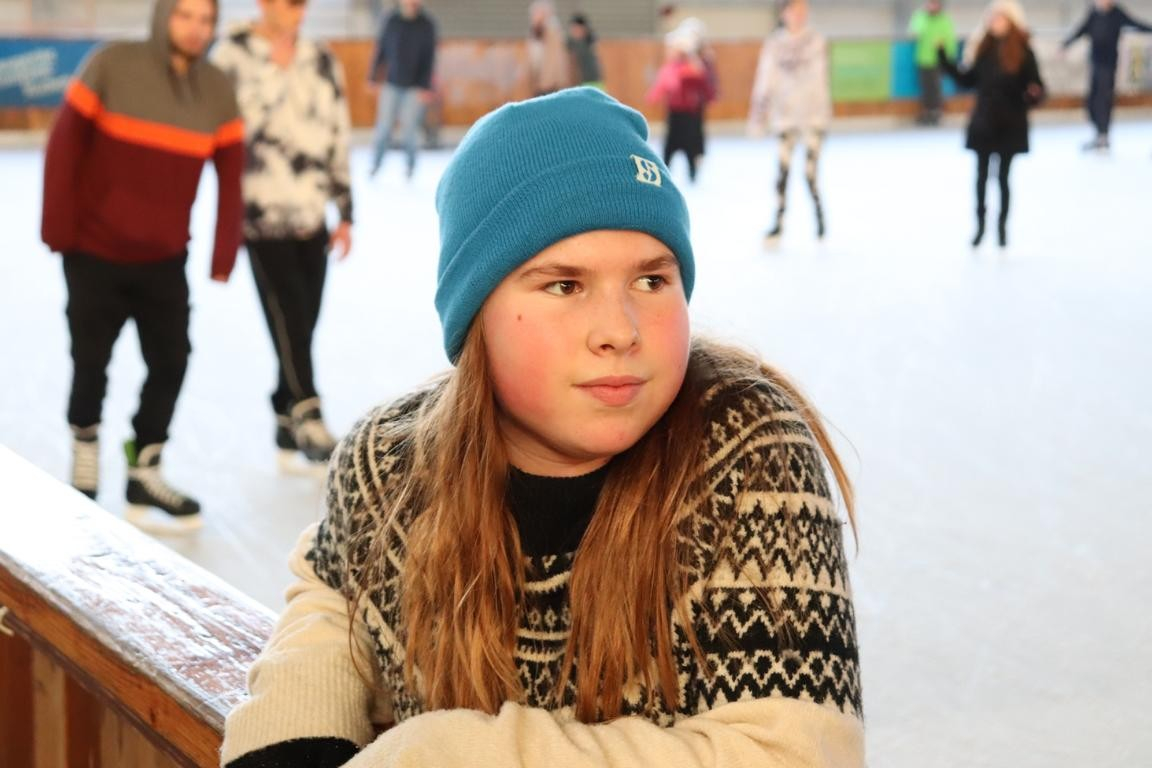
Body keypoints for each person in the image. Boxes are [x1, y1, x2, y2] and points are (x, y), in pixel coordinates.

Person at [220, 88, 864, 768]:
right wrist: (290, 737)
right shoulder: (389, 463)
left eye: (652, 280)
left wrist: (443, 756)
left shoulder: (743, 450)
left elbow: (792, 754)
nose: (620, 331)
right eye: (564, 285)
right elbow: (333, 596)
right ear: (477, 316)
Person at [40, 0, 243, 533]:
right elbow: (63, 146)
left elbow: (232, 174)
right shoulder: (111, 64)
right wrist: (57, 228)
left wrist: (223, 252)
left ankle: (143, 468)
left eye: (206, 20)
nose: (196, 29)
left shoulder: (217, 90)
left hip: (165, 260)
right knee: (90, 362)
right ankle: (85, 454)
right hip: (93, 253)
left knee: (172, 360)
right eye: (185, 16)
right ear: (163, 16)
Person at [211, 0, 353, 474]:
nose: (298, 10)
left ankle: (282, 414)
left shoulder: (321, 58)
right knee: (290, 312)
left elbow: (337, 131)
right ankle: (308, 414)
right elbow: (220, 131)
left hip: (312, 213)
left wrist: (345, 209)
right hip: (260, 214)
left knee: (301, 323)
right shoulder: (231, 55)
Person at [939, 0, 1044, 248]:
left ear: (1010, 21)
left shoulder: (1023, 51)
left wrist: (1034, 94)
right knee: (981, 177)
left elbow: (1037, 86)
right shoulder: (983, 49)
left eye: (1000, 18)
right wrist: (944, 60)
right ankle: (980, 225)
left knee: (1004, 178)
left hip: (1011, 123)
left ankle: (1002, 226)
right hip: (984, 123)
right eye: (992, 18)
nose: (995, 22)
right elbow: (967, 80)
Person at [748, 0, 831, 242]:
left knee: (810, 172)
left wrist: (823, 115)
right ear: (784, 13)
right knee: (782, 171)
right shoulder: (775, 44)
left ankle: (819, 216)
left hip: (813, 118)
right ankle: (779, 222)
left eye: (804, 10)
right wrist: (758, 117)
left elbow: (820, 80)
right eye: (795, 10)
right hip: (785, 118)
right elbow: (765, 80)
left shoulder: (816, 41)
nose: (800, 14)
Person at [1062, 0, 1152, 151]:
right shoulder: (1094, 13)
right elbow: (1081, 30)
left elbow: (1135, 23)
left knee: (1103, 100)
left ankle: (1103, 135)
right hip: (1095, 64)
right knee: (1092, 101)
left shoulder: (1116, 13)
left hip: (1108, 65)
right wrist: (1065, 45)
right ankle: (1098, 133)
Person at [366, 0, 437, 178]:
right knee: (383, 127)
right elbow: (381, 49)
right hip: (391, 84)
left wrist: (426, 87)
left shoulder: (427, 24)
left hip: (415, 87)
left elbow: (430, 57)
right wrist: (373, 76)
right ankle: (376, 164)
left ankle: (410, 166)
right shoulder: (391, 20)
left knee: (410, 129)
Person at [646, 27, 716, 184]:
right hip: (674, 113)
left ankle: (692, 172)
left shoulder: (693, 67)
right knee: (669, 146)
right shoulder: (670, 68)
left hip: (690, 113)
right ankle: (665, 171)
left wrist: (709, 96)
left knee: (691, 146)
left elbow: (704, 84)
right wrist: (653, 96)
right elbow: (662, 84)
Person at [908, 0, 958, 126]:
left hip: (939, 59)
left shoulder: (944, 20)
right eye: (930, 3)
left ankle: (936, 112)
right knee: (925, 87)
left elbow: (950, 39)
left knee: (936, 87)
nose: (932, 6)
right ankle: (927, 112)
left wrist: (950, 58)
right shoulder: (920, 17)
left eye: (935, 3)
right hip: (923, 58)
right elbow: (914, 32)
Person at [527, 0, 570, 96]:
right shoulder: (537, 31)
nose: (533, 17)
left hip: (549, 83)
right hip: (540, 81)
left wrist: (547, 82)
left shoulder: (552, 30)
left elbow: (554, 59)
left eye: (536, 14)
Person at [566, 13, 603, 88]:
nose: (573, 32)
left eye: (576, 29)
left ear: (583, 29)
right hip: (582, 82)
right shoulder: (574, 43)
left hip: (592, 80)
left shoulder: (587, 43)